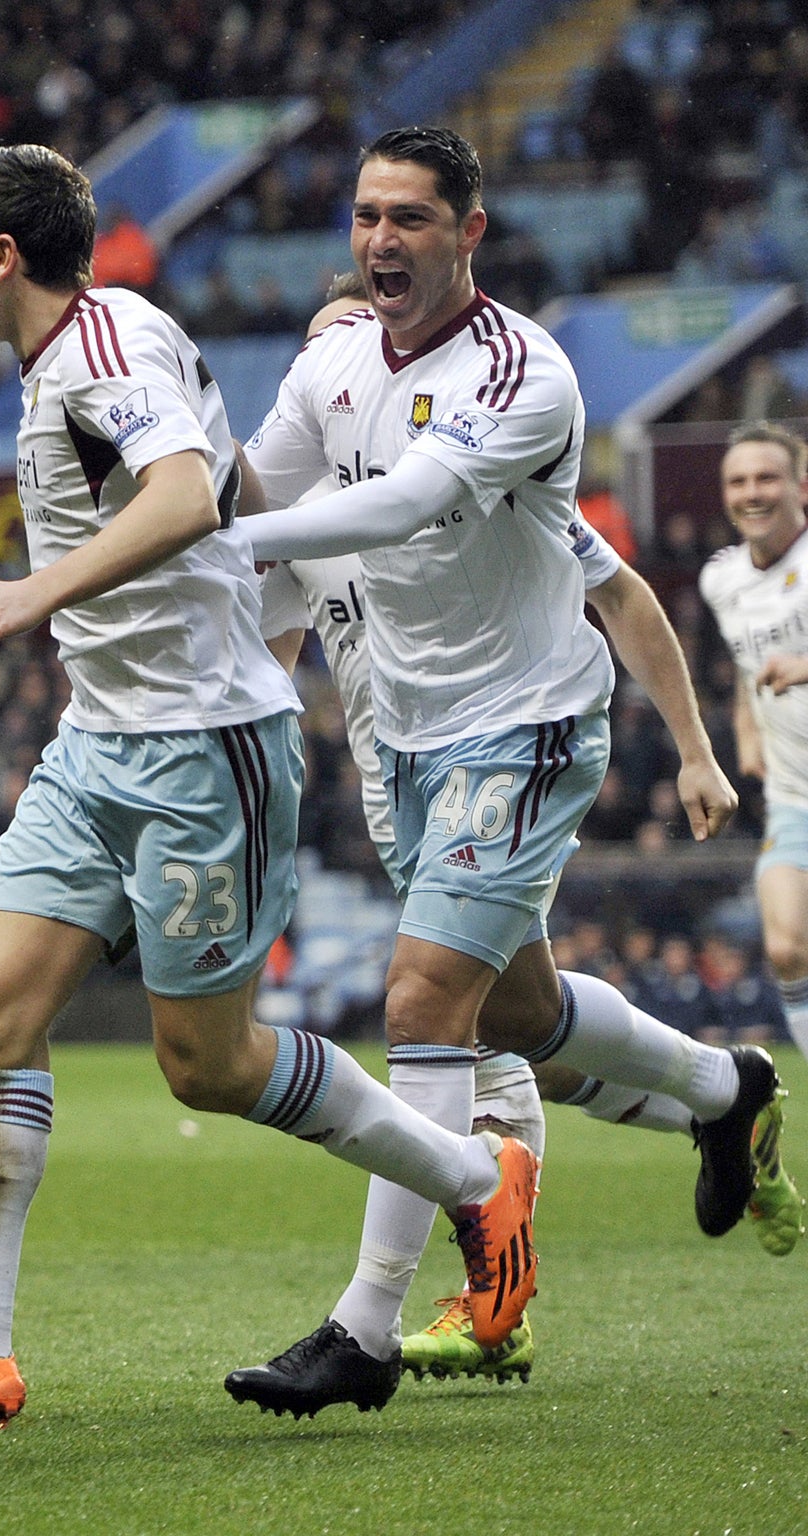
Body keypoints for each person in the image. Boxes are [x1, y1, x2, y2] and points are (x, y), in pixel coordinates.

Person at [0, 143, 540, 1439]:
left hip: (208, 750)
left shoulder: (99, 361)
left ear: (2, 255)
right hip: (101, 740)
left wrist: (31, 594)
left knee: (205, 1068)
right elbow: (241, 486)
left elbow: (183, 495)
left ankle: (468, 1181)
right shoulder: (109, 339)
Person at [231, 125, 781, 1417]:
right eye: (366, 215)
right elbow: (263, 510)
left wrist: (698, 750)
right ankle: (725, 1085)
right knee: (518, 1015)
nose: (381, 241)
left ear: (469, 232)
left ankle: (362, 1326)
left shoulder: (522, 373)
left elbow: (397, 506)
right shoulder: (332, 365)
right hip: (408, 744)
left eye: (411, 218)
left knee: (422, 1005)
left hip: (528, 727)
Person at [704, 422, 808, 1068]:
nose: (753, 493)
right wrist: (746, 729)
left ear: (800, 485)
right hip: (795, 794)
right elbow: (749, 668)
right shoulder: (722, 579)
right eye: (738, 481)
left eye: (767, 477)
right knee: (787, 947)